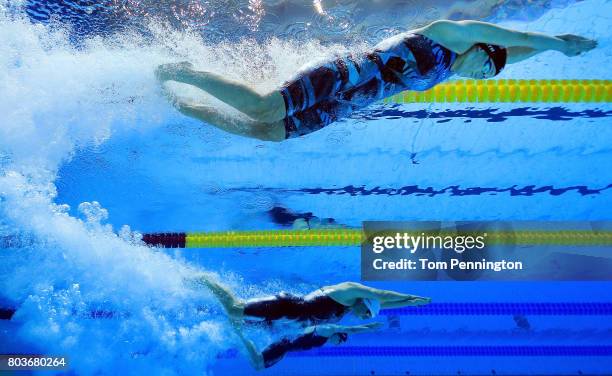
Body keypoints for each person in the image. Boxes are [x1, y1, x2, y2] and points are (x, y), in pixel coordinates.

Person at [155, 19, 596, 141]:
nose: (482, 74)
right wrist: (558, 42)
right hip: (347, 69)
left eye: (488, 74)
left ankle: (184, 105)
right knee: (266, 106)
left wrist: (543, 50)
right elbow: (512, 38)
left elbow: (512, 52)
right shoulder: (448, 34)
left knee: (270, 132)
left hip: (349, 102)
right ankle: (181, 71)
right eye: (485, 65)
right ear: (478, 47)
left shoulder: (452, 67)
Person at [197, 278, 431, 324]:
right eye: (367, 313)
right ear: (364, 303)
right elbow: (381, 296)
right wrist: (409, 297)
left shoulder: (350, 308)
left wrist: (408, 305)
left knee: (236, 319)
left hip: (285, 318)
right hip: (285, 306)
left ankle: (203, 301)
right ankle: (206, 280)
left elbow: (383, 304)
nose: (363, 317)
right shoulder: (347, 292)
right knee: (235, 309)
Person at [232, 321, 383, 369]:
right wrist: (369, 327)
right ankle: (240, 334)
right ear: (338, 334)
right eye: (340, 341)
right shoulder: (327, 329)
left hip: (286, 349)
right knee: (258, 362)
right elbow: (350, 329)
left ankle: (239, 340)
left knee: (258, 367)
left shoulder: (324, 338)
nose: (338, 344)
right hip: (283, 344)